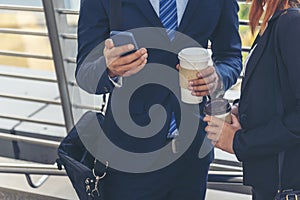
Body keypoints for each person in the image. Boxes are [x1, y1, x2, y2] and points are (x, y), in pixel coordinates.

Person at [75, 0, 242, 199]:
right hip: (128, 154)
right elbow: (84, 72)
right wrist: (108, 68)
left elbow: (230, 56)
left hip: (192, 154)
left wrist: (217, 78)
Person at [204, 0, 300, 199]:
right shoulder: (275, 22)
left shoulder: (292, 23)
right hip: (270, 185)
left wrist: (238, 142)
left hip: (285, 188)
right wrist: (240, 110)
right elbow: (279, 95)